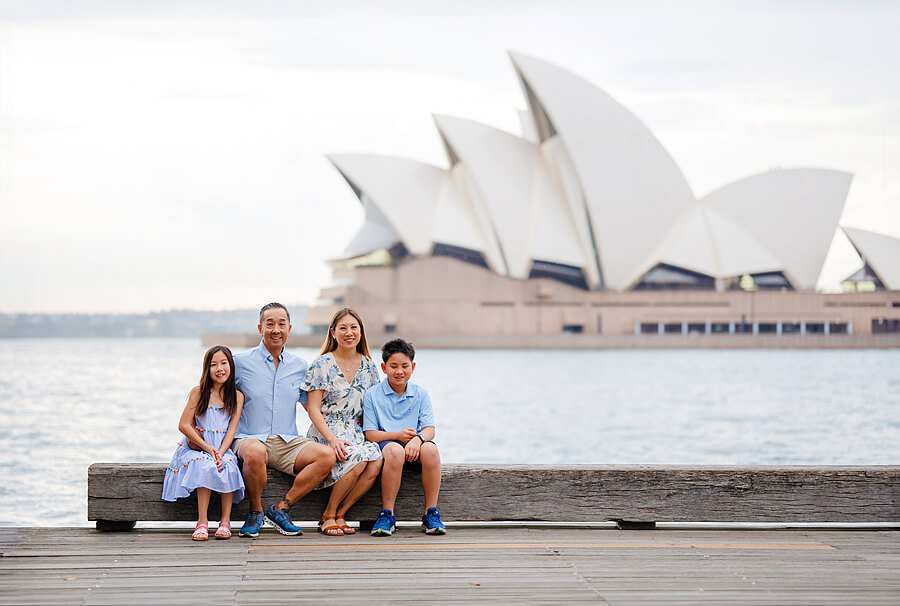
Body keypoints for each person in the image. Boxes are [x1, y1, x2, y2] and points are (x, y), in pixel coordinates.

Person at [231, 302, 336, 538]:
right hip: (249, 438)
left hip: (287, 441)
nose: (276, 329)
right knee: (255, 452)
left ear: (289, 328)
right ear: (260, 328)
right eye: (270, 324)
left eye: (281, 324)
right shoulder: (240, 362)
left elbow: (312, 407)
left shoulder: (300, 366)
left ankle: (281, 508)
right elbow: (216, 396)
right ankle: (255, 511)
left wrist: (337, 436)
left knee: (327, 456)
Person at [303, 308, 383, 535]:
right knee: (357, 457)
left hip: (356, 430)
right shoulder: (321, 364)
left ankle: (341, 514)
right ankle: (327, 515)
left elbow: (373, 406)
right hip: (326, 431)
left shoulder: (369, 366)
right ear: (333, 333)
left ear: (360, 332)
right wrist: (332, 439)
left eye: (353, 327)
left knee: (376, 458)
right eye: (343, 328)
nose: (349, 332)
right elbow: (313, 409)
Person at [363, 338, 445, 536]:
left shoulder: (421, 394)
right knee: (394, 450)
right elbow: (370, 434)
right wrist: (397, 435)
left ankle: (431, 513)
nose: (399, 371)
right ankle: (387, 514)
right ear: (383, 367)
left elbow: (429, 429)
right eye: (393, 366)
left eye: (404, 366)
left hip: (415, 446)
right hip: (388, 447)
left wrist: (418, 439)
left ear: (413, 367)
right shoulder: (372, 395)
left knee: (432, 450)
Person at [162, 345, 245, 540]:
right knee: (205, 465)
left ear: (231, 366)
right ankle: (202, 521)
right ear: (206, 369)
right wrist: (209, 448)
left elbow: (232, 429)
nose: (219, 369)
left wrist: (221, 452)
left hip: (222, 447)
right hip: (197, 447)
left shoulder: (237, 396)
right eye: (213, 365)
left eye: (224, 363)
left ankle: (225, 521)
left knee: (230, 466)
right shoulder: (199, 392)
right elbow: (183, 425)